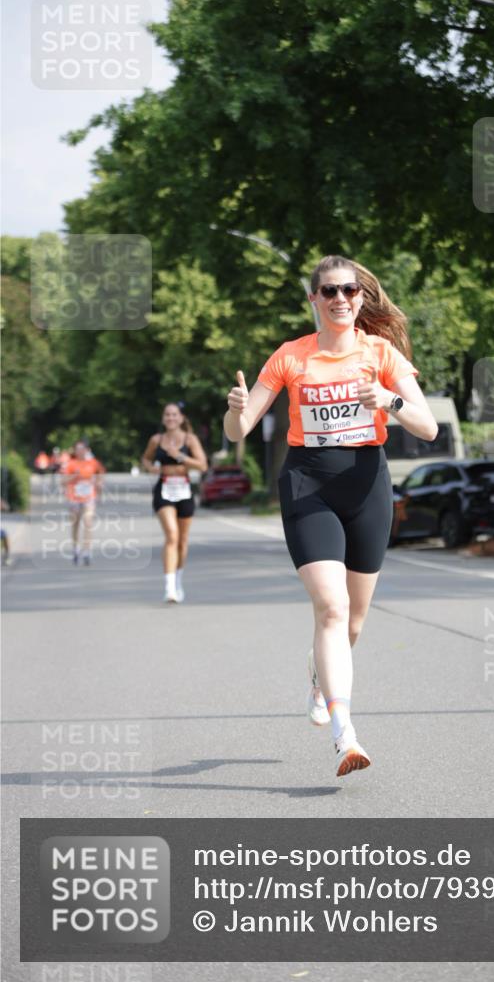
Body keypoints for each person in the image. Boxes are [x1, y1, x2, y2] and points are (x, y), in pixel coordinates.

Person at [224, 255, 437, 777]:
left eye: (348, 290)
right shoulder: (291, 357)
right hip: (308, 484)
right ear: (313, 300)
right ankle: (346, 735)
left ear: (361, 298)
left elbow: (428, 427)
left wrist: (387, 399)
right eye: (329, 291)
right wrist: (234, 408)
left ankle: (320, 676)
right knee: (332, 608)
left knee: (354, 622)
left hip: (366, 485)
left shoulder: (381, 353)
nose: (340, 299)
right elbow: (239, 430)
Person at [141, 404, 208, 603]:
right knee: (172, 535)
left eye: (174, 415)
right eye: (167, 415)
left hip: (184, 490)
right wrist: (151, 468)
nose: (170, 418)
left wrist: (179, 456)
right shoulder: (156, 440)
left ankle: (178, 580)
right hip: (164, 489)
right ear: (163, 419)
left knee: (182, 540)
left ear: (181, 418)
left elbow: (203, 465)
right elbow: (145, 459)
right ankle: (169, 588)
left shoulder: (190, 439)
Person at [60, 440, 105, 565]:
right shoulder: (70, 464)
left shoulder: (93, 463)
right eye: (77, 449)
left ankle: (87, 550)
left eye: (82, 448)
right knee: (75, 524)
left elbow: (100, 474)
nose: (79, 451)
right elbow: (62, 481)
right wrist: (74, 476)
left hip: (89, 497)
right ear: (74, 451)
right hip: (74, 497)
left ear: (86, 450)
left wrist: (99, 484)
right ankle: (75, 548)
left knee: (88, 522)